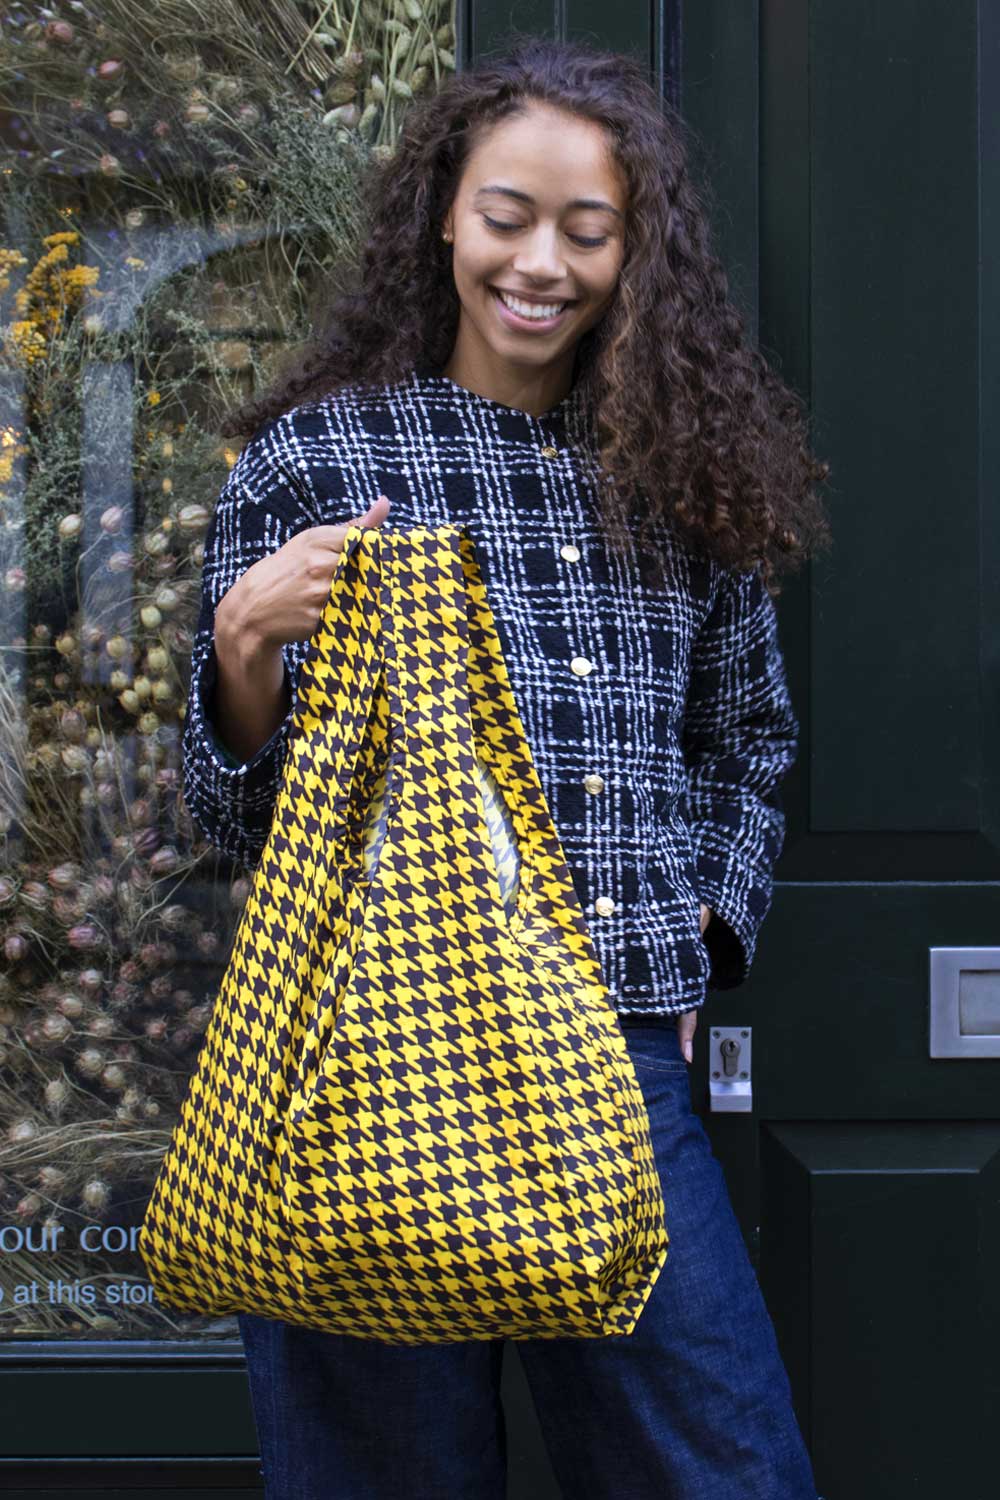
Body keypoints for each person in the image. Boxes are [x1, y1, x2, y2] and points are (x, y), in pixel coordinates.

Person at [181, 35, 831, 1500]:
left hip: (614, 1056)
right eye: (506, 216)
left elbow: (749, 741)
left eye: (588, 231)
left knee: (723, 1470)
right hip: (365, 1062)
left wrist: (698, 943)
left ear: (636, 255)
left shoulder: (678, 474)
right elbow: (225, 814)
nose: (541, 262)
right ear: (444, 221)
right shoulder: (318, 462)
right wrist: (242, 649)